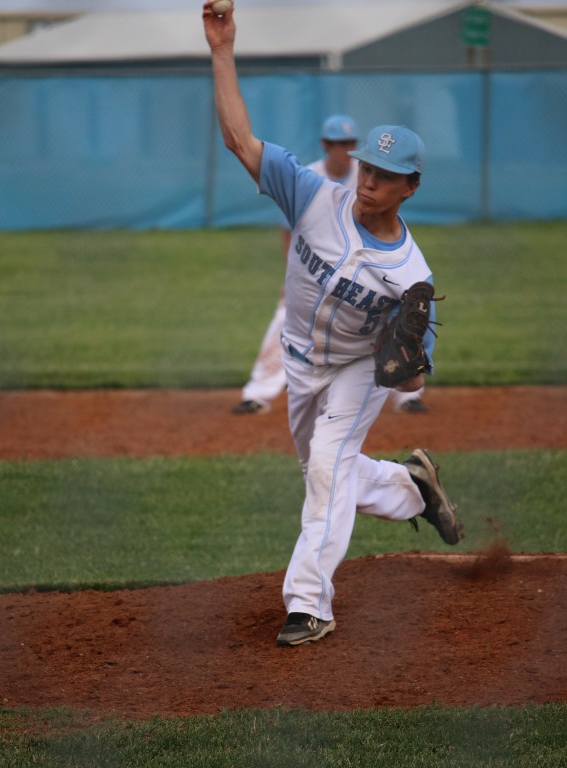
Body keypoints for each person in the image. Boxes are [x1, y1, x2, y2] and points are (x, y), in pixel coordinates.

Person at [203, 0, 462, 647]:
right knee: (327, 472)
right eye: (367, 168)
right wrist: (222, 50)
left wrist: (406, 364)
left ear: (410, 187)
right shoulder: (313, 194)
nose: (369, 181)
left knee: (326, 467)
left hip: (355, 370)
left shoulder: (410, 276)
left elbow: (411, 381)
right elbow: (239, 140)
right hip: (299, 360)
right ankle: (410, 486)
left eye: (386, 176)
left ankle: (309, 604)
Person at [231, 115, 429, 416]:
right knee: (284, 321)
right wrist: (289, 278)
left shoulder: (370, 173)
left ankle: (408, 396)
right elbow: (290, 230)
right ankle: (258, 392)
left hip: (366, 272)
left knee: (396, 328)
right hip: (315, 272)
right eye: (337, 143)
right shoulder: (313, 177)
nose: (343, 149)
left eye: (349, 142)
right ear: (326, 145)